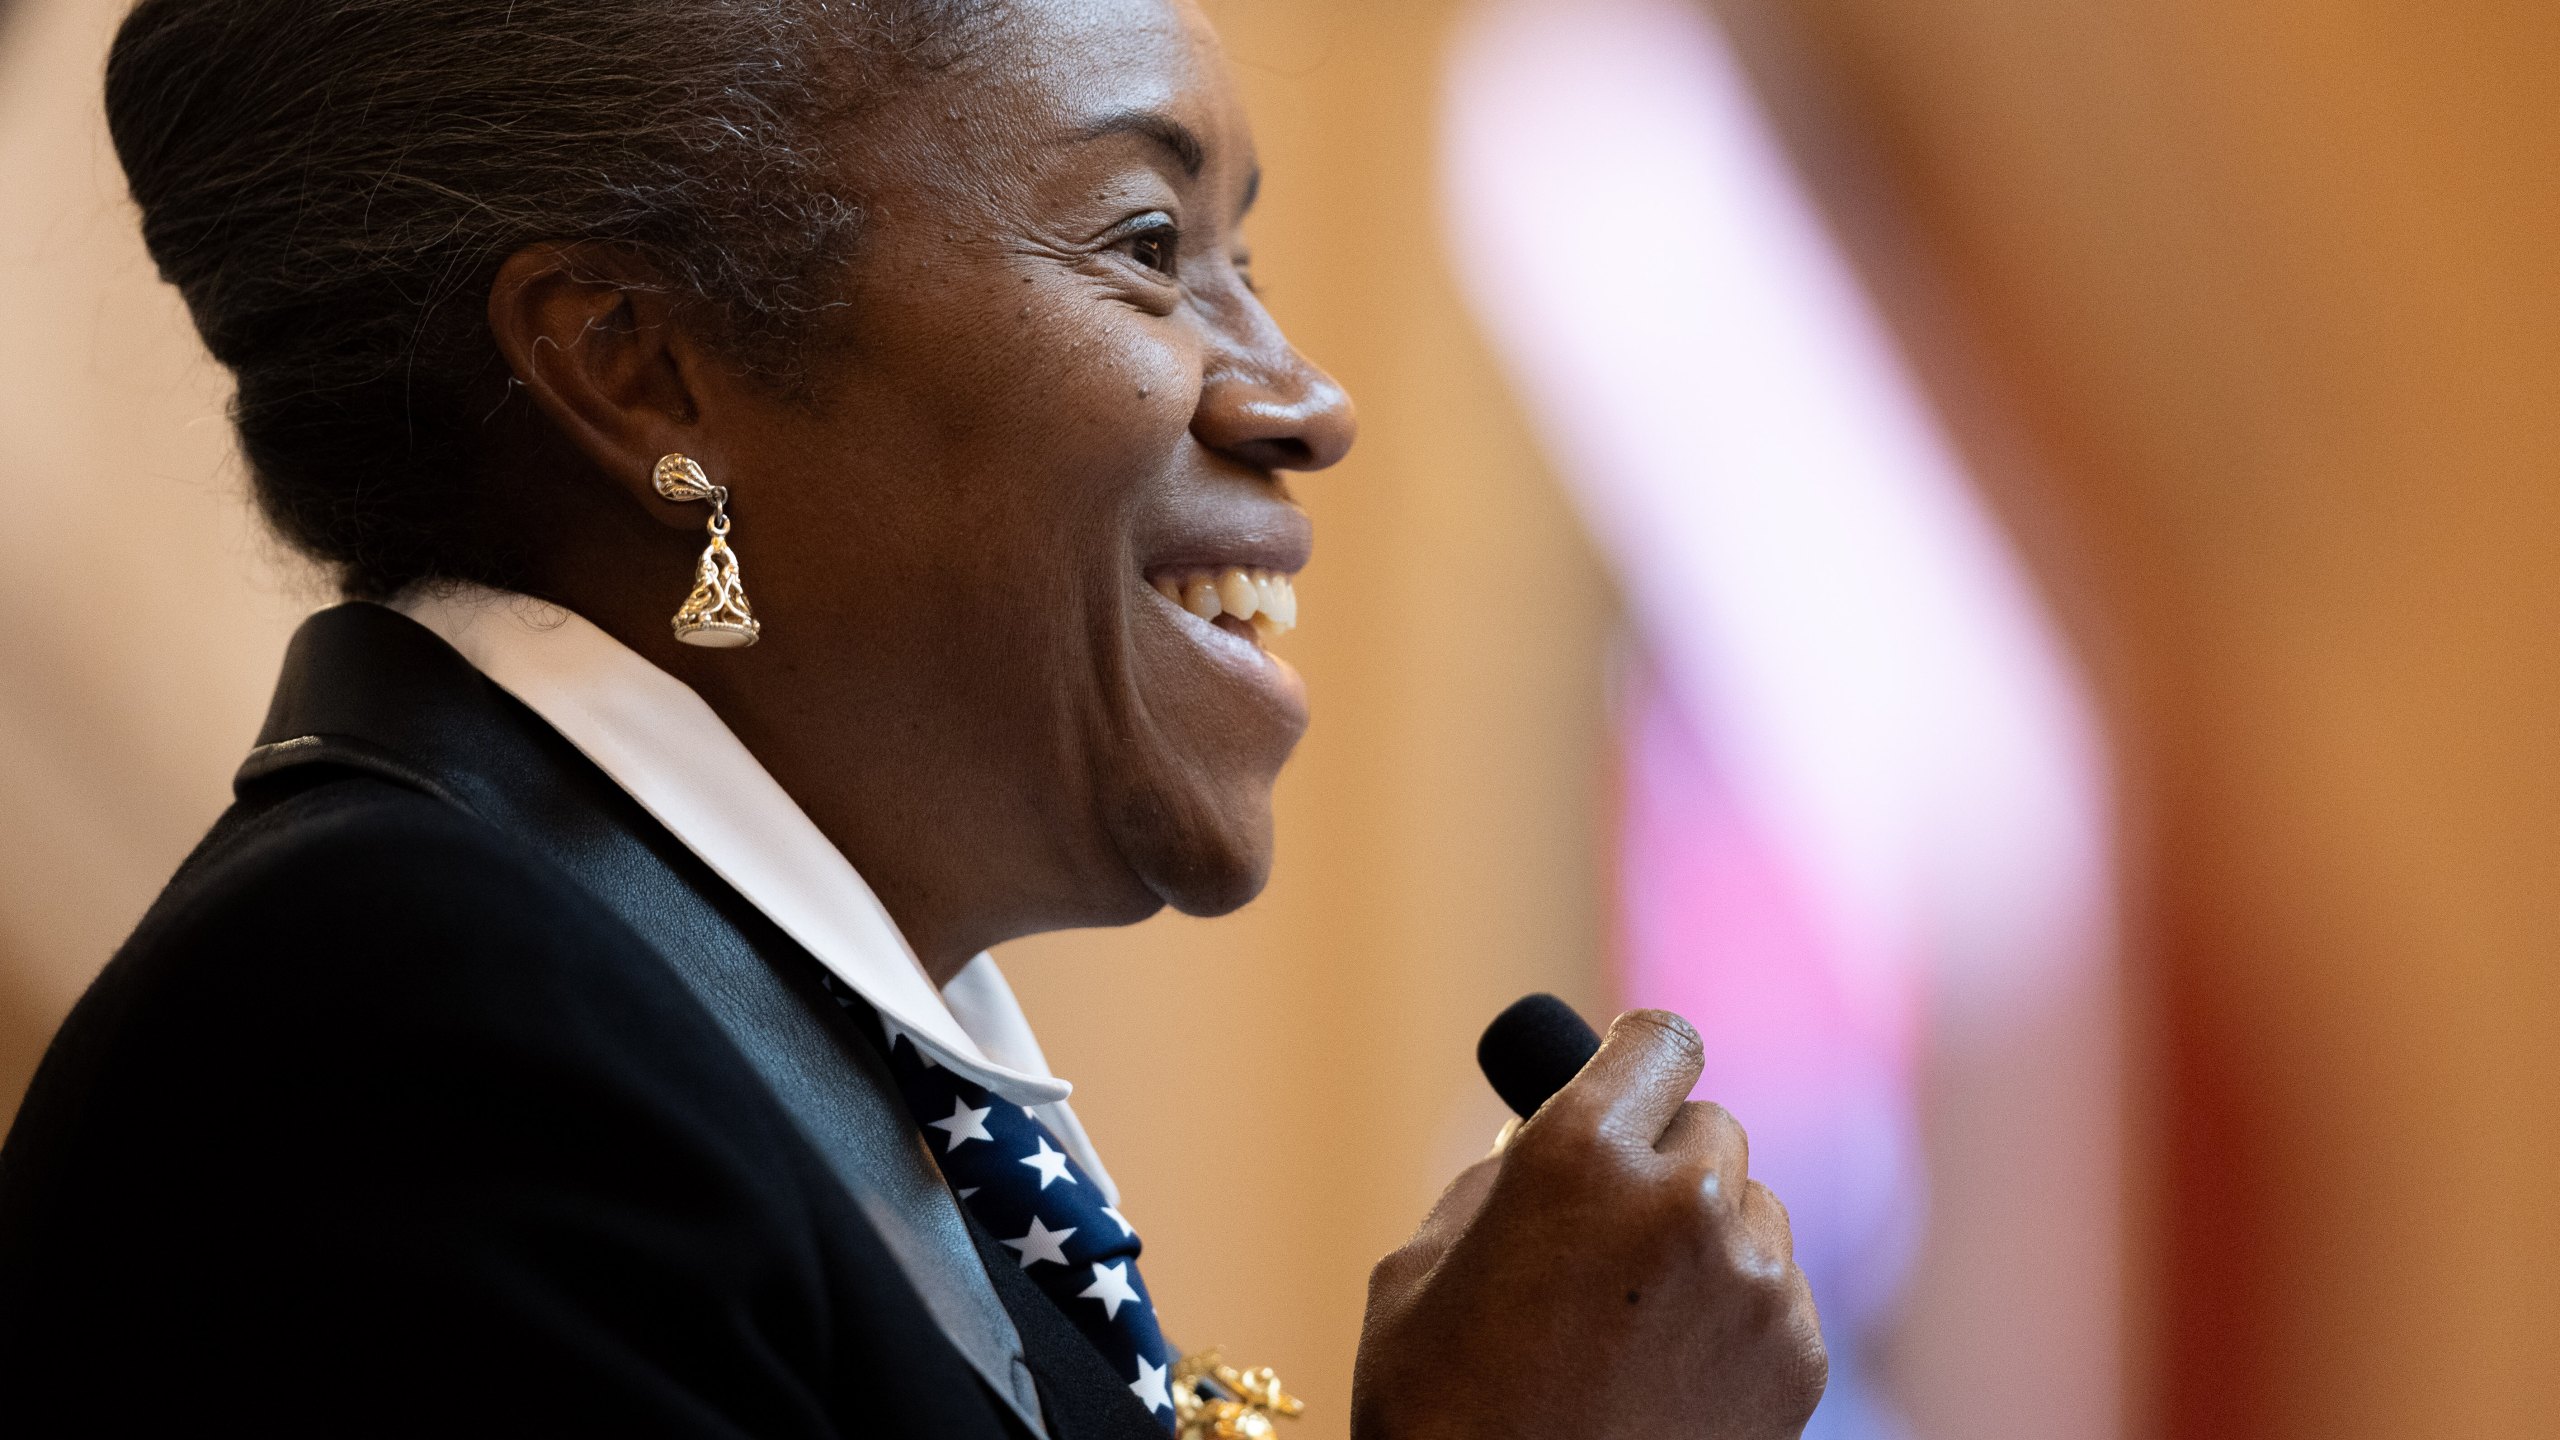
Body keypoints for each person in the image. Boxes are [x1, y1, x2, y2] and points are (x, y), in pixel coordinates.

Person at [0, 0, 1828, 1435]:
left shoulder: (735, 1040)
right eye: (1142, 240)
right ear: (637, 367)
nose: (1305, 399)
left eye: (1242, 254)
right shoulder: (402, 1036)